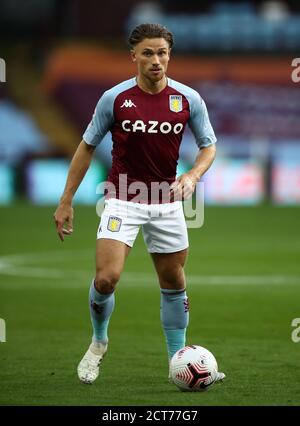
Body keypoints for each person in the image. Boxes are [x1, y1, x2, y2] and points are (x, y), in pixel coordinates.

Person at [54, 23, 225, 385]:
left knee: (173, 280)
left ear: (169, 56)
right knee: (107, 278)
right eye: (147, 53)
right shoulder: (114, 99)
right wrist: (66, 199)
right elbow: (86, 146)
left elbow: (209, 146)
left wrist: (192, 176)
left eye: (162, 53)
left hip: (167, 201)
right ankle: (99, 342)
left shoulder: (188, 99)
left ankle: (177, 361)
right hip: (122, 198)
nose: (156, 60)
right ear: (133, 56)